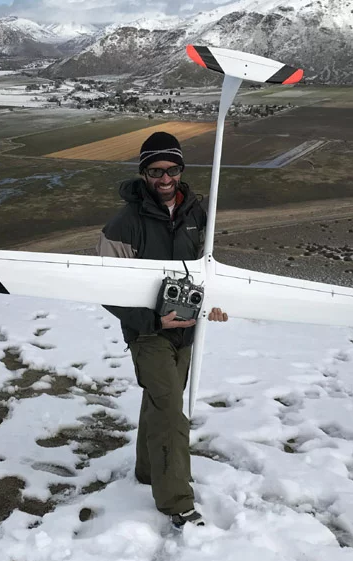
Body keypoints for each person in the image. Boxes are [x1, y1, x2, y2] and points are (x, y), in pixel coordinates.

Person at [95, 131, 228, 529]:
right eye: (155, 170)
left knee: (159, 401)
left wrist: (218, 301)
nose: (165, 178)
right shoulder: (122, 225)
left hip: (187, 333)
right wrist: (153, 321)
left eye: (172, 169)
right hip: (148, 334)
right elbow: (105, 288)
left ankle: (147, 471)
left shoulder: (198, 215)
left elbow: (209, 268)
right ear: (143, 173)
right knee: (171, 411)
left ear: (181, 170)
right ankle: (177, 503)